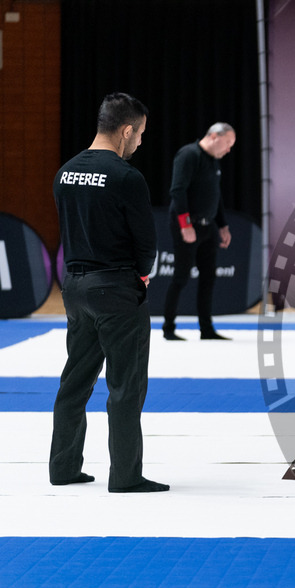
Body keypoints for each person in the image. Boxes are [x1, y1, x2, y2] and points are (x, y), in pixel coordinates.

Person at [49, 92, 168, 493]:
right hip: (116, 288)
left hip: (75, 287)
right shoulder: (125, 177)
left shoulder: (64, 173)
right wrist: (141, 274)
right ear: (127, 130)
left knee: (75, 381)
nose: (139, 143)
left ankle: (63, 468)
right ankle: (126, 475)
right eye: (140, 135)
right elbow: (145, 242)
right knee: (125, 386)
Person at [162, 123, 236, 340]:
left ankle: (206, 329)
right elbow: (177, 191)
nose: (229, 149)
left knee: (208, 278)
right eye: (228, 143)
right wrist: (185, 226)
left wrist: (223, 225)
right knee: (181, 277)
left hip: (208, 226)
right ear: (214, 136)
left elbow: (216, 195)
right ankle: (168, 329)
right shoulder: (188, 155)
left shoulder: (213, 161)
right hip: (186, 224)